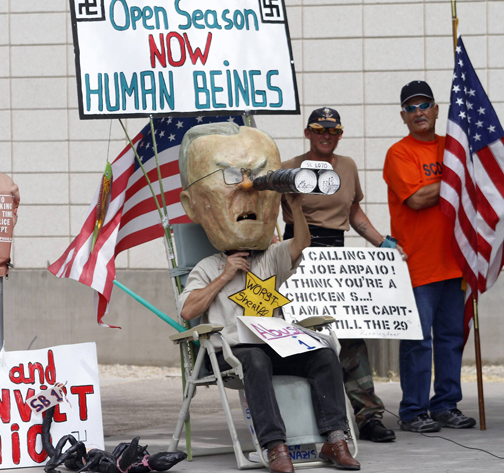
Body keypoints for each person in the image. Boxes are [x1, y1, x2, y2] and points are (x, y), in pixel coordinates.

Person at [177, 123, 360, 473]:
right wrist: (225, 275)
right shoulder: (206, 267)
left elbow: (301, 244)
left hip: (278, 343)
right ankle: (275, 447)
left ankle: (335, 439)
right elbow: (188, 310)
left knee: (323, 355)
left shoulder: (268, 257)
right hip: (234, 351)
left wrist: (295, 205)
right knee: (256, 362)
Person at [280, 107, 404, 443]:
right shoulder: (290, 167)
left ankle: (368, 416)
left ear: (339, 135)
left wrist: (383, 243)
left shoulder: (347, 167)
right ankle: (306, 418)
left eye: (333, 131)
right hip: (298, 256)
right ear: (308, 133)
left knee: (350, 337)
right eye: (319, 130)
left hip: (337, 257)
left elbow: (353, 212)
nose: (326, 136)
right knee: (302, 336)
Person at [382, 80, 476, 433]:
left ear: (437, 110)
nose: (419, 112)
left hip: (455, 261)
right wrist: (456, 178)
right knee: (418, 341)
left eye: (425, 105)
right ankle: (413, 411)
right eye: (411, 107)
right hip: (418, 264)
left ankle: (446, 405)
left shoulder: (452, 149)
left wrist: (462, 171)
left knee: (452, 337)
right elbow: (417, 199)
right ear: (403, 117)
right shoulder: (399, 153)